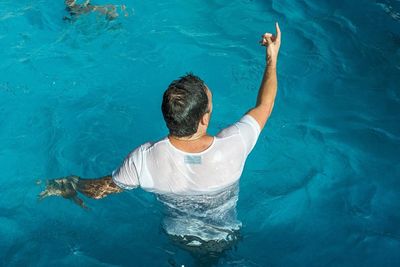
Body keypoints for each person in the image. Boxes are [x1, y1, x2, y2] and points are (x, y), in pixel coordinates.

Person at [39, 23, 281, 261]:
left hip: (178, 237)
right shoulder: (234, 144)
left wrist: (72, 183)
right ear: (205, 118)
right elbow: (265, 106)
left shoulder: (143, 160)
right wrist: (272, 58)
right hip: (226, 235)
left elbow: (100, 190)